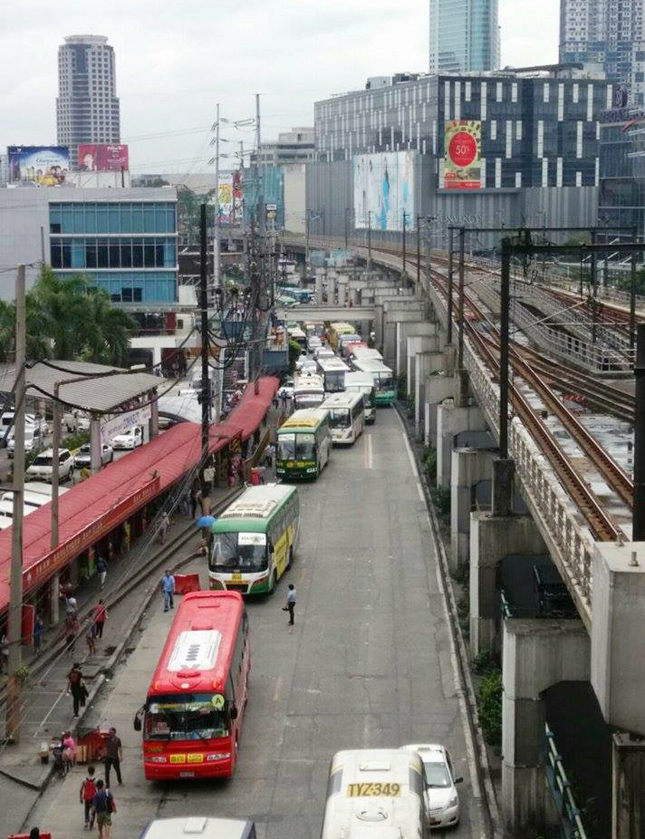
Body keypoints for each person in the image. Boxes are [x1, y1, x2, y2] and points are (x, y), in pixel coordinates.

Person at [80, 765, 97, 829]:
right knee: (93, 810)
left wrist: (81, 798)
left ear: (88, 771)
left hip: (87, 797)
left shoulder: (84, 780)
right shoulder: (96, 780)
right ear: (94, 772)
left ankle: (86, 823)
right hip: (93, 798)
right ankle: (92, 822)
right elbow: (97, 790)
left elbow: (81, 789)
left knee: (86, 809)